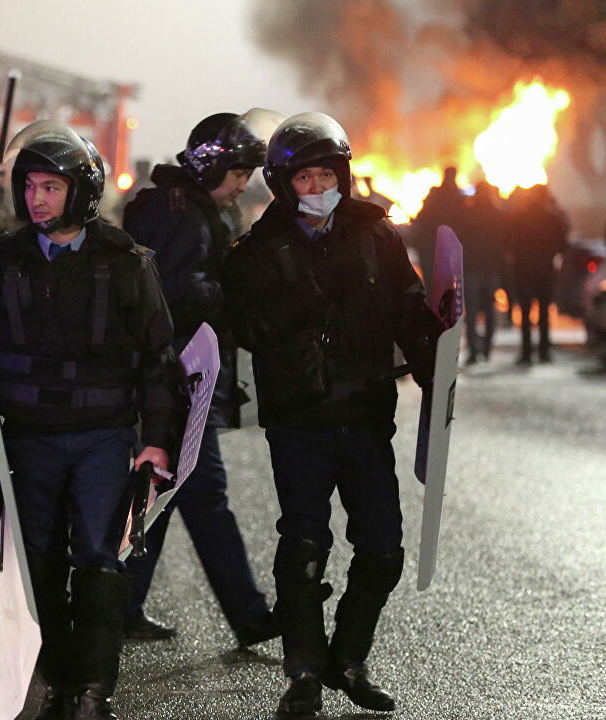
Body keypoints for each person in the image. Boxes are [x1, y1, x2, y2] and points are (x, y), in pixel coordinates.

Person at [0, 120, 179, 720]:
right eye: (30, 187)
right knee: (40, 565)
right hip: (27, 437)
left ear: (81, 191)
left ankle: (96, 690)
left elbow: (160, 358)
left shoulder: (125, 262)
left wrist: (156, 441)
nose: (36, 199)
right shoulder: (3, 261)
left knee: (100, 561)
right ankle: (60, 683)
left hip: (104, 434)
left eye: (51, 187)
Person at [222, 112, 443, 715]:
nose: (318, 188)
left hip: (368, 415)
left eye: (327, 174)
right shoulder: (257, 249)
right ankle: (303, 672)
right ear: (282, 183)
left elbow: (409, 308)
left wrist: (435, 365)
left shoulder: (377, 234)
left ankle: (348, 658)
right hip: (299, 421)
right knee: (304, 546)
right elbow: (243, 324)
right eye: (304, 179)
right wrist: (304, 298)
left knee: (382, 549)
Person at [120, 110, 282, 647]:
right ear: (211, 166)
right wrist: (233, 290)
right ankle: (251, 617)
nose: (243, 186)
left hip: (176, 377)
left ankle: (121, 605)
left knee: (167, 492)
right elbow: (172, 295)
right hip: (178, 379)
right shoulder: (182, 217)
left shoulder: (180, 209)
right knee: (204, 495)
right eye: (237, 174)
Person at [506, 184, 569, 364]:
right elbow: (563, 245)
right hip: (545, 271)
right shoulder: (553, 218)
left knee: (525, 313)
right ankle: (544, 352)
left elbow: (509, 242)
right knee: (544, 313)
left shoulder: (520, 217)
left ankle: (526, 353)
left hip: (524, 271)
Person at [460, 181, 506, 364]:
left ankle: (473, 350)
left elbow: (461, 240)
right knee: (489, 311)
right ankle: (486, 349)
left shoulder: (467, 215)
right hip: (490, 270)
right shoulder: (497, 215)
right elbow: (504, 243)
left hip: (472, 269)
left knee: (471, 313)